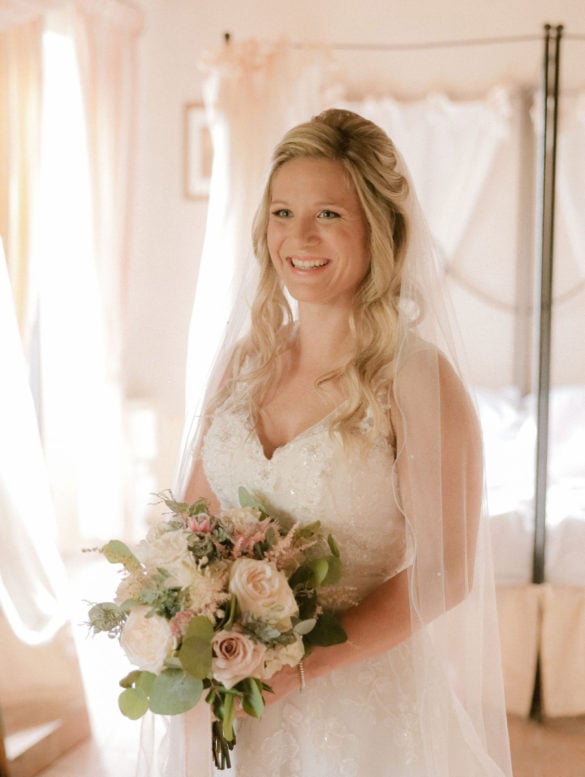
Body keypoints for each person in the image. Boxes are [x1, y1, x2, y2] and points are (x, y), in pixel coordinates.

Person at [170, 108, 512, 776]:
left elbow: (445, 574)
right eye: (281, 211)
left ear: (380, 228)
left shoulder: (413, 379)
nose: (298, 236)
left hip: (361, 717)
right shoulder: (243, 362)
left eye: (327, 214)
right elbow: (190, 527)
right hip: (236, 702)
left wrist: (298, 667)